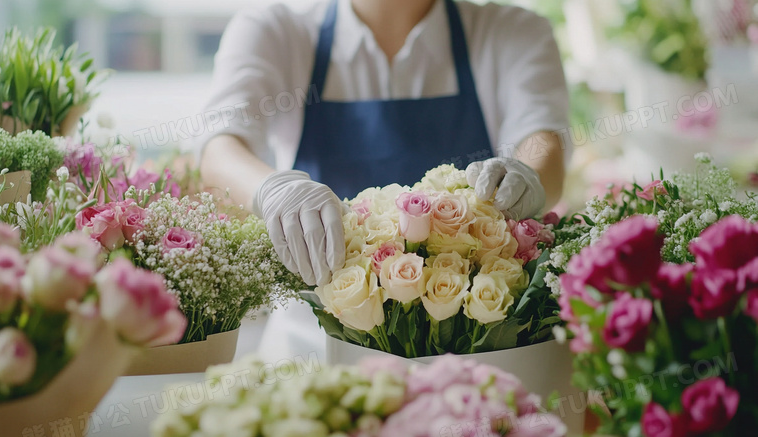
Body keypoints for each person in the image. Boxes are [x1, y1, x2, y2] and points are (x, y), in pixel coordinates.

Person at [200, 0, 569, 359]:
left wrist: (529, 175)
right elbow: (220, 149)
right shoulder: (277, 31)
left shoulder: (511, 31)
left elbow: (541, 140)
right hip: (310, 350)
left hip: (470, 350)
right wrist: (273, 189)